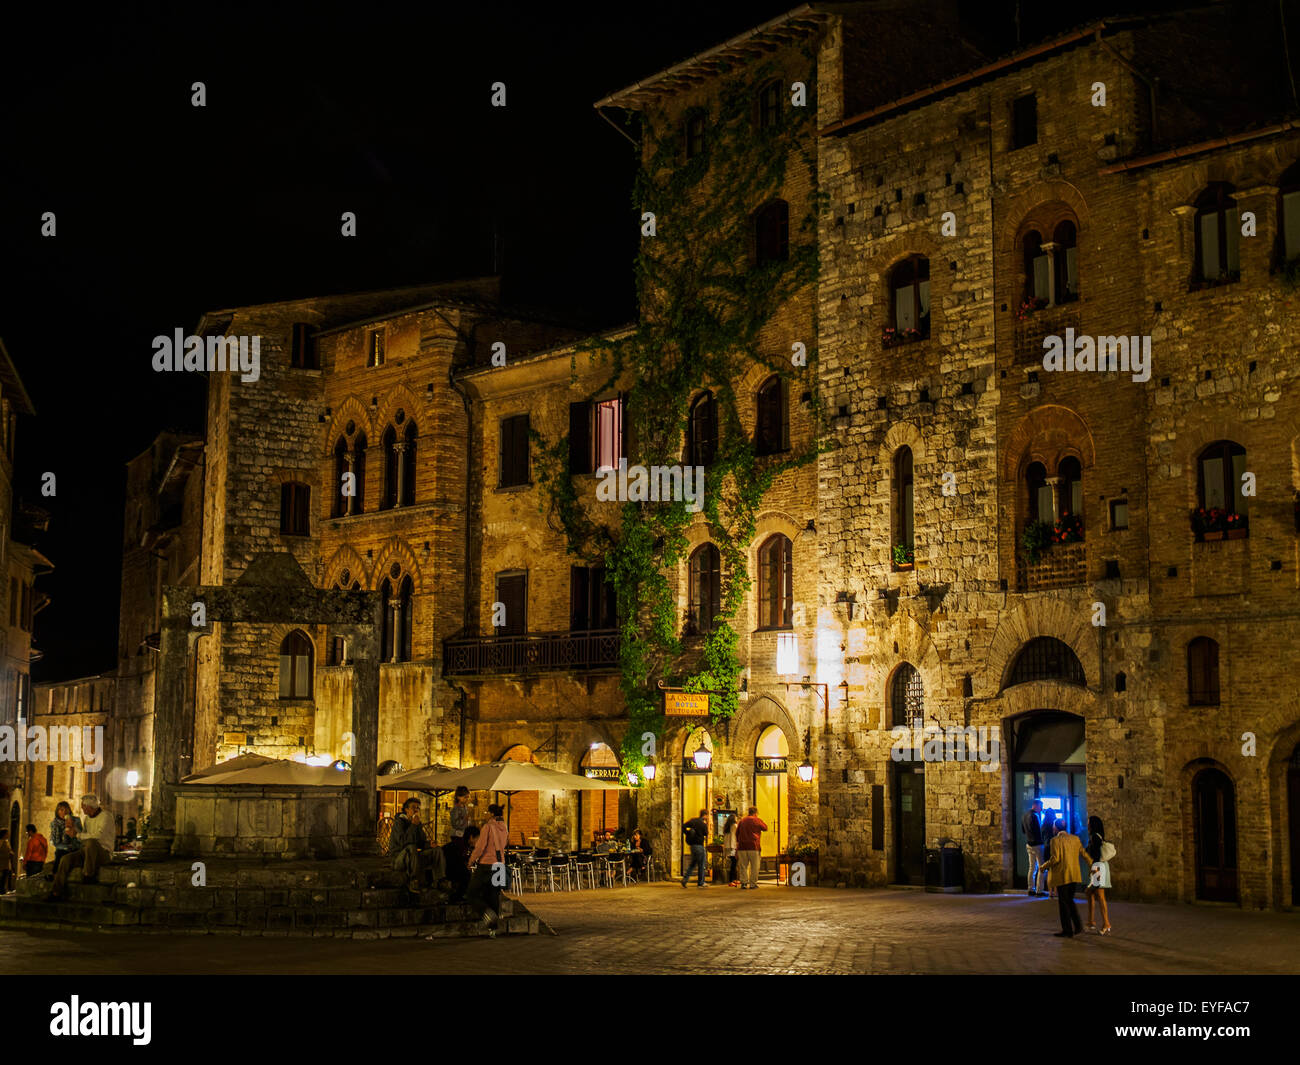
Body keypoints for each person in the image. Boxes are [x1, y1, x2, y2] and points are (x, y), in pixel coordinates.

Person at [50, 795, 115, 901]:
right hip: (87, 852)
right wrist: (73, 829)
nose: (82, 809)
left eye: (83, 807)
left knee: (91, 842)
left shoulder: (106, 816)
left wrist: (77, 834)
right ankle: (56, 891)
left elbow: (98, 835)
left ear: (90, 807)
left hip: (103, 853)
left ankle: (88, 874)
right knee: (65, 859)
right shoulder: (87, 819)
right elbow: (83, 836)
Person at [464, 804, 509, 936]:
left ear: (491, 813)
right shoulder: (504, 828)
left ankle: (486, 912)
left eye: (486, 812)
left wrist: (471, 861)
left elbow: (480, 847)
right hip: (500, 864)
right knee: (493, 895)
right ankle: (493, 930)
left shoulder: (488, 827)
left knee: (471, 893)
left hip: (486, 865)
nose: (485, 814)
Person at [388, 797, 445, 891]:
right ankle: (414, 880)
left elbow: (421, 843)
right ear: (406, 809)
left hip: (414, 857)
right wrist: (413, 826)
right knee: (411, 847)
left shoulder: (417, 823)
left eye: (418, 808)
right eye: (413, 807)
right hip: (399, 858)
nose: (416, 810)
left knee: (437, 850)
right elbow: (403, 843)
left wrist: (429, 844)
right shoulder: (399, 823)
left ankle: (440, 880)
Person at [1044, 817, 1087, 937]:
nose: (1052, 828)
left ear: (1056, 828)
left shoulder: (1055, 840)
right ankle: (1078, 926)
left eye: (1053, 826)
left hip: (1063, 875)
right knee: (1070, 901)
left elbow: (1055, 859)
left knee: (1063, 903)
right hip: (1074, 874)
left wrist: (1043, 866)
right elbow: (1083, 853)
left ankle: (1067, 930)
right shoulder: (1075, 839)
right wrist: (1091, 863)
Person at [1085, 815, 1113, 935]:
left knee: (1100, 895)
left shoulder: (1094, 837)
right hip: (1099, 867)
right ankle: (1091, 921)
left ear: (1092, 825)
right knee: (1090, 892)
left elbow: (1095, 855)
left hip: (1098, 867)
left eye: (1088, 822)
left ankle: (1106, 923)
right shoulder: (1097, 836)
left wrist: (1094, 870)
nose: (1087, 824)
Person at [442, 824, 480, 902]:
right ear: (471, 837)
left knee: (467, 876)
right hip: (447, 867)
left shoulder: (462, 844)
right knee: (467, 876)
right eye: (477, 838)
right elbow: (456, 860)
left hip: (449, 866)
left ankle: (457, 896)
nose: (478, 841)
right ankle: (456, 897)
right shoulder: (460, 845)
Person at [46, 801, 82, 878]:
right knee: (60, 853)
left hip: (75, 848)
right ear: (57, 811)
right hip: (62, 849)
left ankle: (54, 874)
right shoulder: (55, 823)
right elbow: (54, 841)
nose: (64, 812)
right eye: (61, 810)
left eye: (66, 810)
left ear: (69, 810)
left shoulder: (76, 820)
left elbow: (81, 837)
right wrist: (66, 847)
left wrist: (73, 826)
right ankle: (54, 873)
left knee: (61, 854)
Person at [736, 806, 767, 890]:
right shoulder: (757, 820)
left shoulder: (742, 821)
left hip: (742, 846)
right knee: (754, 866)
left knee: (743, 866)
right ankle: (753, 884)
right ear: (756, 813)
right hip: (754, 846)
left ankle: (744, 883)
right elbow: (765, 828)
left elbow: (737, 833)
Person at [1022, 799, 1045, 896]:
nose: (1041, 809)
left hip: (1029, 844)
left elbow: (1023, 830)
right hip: (1037, 844)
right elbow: (1038, 831)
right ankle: (1039, 891)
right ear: (1036, 806)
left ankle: (1030, 889)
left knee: (1031, 867)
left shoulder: (1024, 815)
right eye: (1041, 807)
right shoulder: (1035, 816)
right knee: (1041, 867)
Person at [681, 808, 709, 888]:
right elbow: (706, 834)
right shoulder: (703, 824)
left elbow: (683, 826)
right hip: (699, 846)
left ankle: (685, 879)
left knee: (692, 864)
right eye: (707, 816)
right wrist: (706, 824)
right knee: (701, 864)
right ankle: (701, 882)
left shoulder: (693, 821)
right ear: (705, 815)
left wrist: (687, 833)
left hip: (692, 846)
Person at [1040, 812, 1058, 898]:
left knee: (1049, 870)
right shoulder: (1054, 825)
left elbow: (1042, 836)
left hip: (1046, 847)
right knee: (1056, 869)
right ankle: (1056, 891)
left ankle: (1050, 892)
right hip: (1053, 846)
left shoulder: (1043, 825)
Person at [723, 813, 739, 886]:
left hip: (728, 846)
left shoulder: (726, 827)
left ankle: (734, 879)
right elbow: (738, 834)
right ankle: (731, 880)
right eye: (736, 818)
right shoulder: (734, 826)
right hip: (733, 846)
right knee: (734, 864)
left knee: (733, 863)